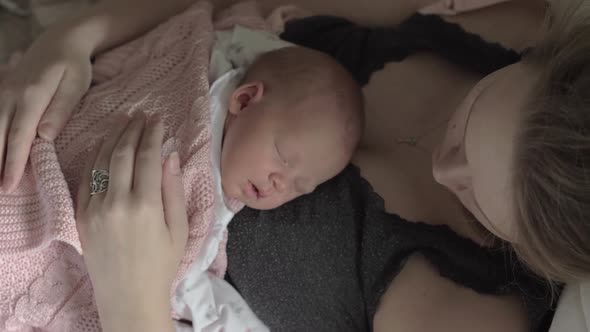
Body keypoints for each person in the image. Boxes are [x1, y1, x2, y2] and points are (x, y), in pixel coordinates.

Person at [1, 0, 587, 331]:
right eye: (474, 111)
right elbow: (220, 12)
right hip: (59, 156)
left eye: (478, 201)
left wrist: (131, 301)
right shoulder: (508, 22)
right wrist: (76, 39)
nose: (441, 167)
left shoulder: (473, 314)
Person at [0, 6, 363, 329]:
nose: (278, 182)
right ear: (245, 98)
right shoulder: (188, 66)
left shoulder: (212, 222)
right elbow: (182, 32)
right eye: (282, 157)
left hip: (81, 274)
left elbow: (187, 296)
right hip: (53, 174)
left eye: (299, 186)